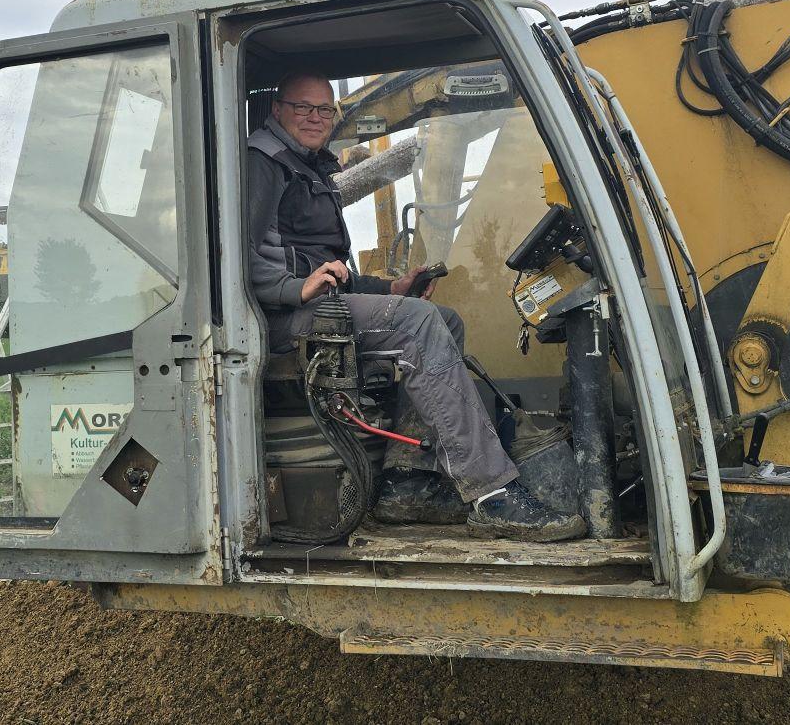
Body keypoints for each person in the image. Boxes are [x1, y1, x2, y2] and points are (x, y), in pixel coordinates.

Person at [245, 72, 585, 542]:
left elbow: (328, 272)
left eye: (325, 110)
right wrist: (292, 290)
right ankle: (491, 492)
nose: (316, 118)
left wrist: (389, 288)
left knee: (444, 318)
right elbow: (228, 257)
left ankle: (407, 481)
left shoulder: (305, 166)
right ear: (278, 108)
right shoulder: (260, 163)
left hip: (313, 307)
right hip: (275, 319)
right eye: (304, 107)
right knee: (419, 323)